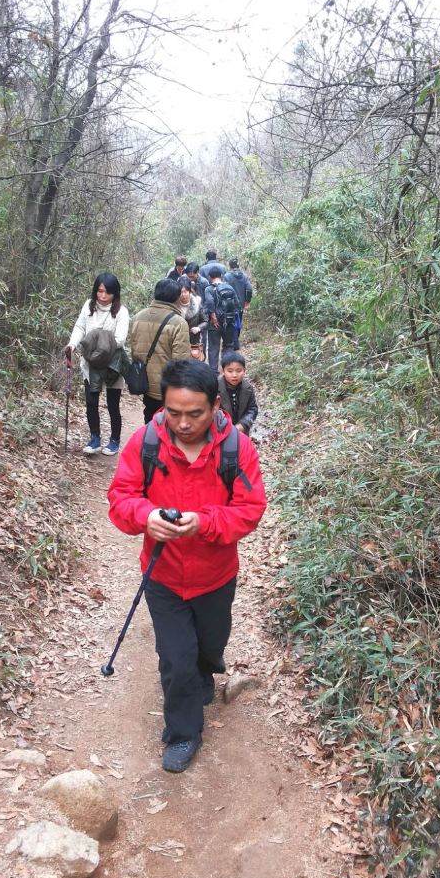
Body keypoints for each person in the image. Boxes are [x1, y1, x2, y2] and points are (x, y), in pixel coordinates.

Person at [107, 360, 267, 773]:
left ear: (215, 406)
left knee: (209, 647)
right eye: (174, 412)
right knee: (176, 658)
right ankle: (183, 733)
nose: (182, 423)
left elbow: (250, 510)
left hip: (216, 575)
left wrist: (205, 522)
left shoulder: (236, 448)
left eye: (194, 414)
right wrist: (146, 516)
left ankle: (205, 673)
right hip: (163, 576)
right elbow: (120, 499)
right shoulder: (145, 443)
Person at [65, 271, 129, 455]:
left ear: (114, 294)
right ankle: (94, 438)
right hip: (90, 362)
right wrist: (73, 344)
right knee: (91, 402)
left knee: (113, 403)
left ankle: (115, 440)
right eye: (99, 291)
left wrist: (95, 338)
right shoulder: (88, 306)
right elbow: (80, 327)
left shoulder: (121, 312)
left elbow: (120, 340)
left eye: (107, 292)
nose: (102, 296)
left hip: (112, 364)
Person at [129, 279, 191, 422]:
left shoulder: (137, 317)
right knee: (168, 423)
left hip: (145, 383)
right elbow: (180, 362)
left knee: (150, 420)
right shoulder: (178, 322)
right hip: (167, 386)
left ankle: (149, 443)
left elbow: (134, 350)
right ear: (176, 298)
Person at [204, 270, 238, 372]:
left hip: (215, 323)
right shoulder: (229, 287)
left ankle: (214, 372)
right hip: (229, 322)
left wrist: (213, 316)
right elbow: (237, 303)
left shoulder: (209, 289)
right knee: (228, 346)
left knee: (214, 348)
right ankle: (228, 370)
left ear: (209, 276)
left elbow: (210, 302)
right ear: (221, 276)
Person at [218, 350, 258, 435]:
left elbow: (253, 408)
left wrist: (243, 424)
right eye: (230, 371)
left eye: (239, 371)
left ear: (244, 370)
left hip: (241, 432)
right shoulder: (215, 387)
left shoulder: (248, 388)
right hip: (220, 431)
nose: (234, 375)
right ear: (222, 371)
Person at [224, 258, 253, 349]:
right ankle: (236, 341)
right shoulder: (244, 276)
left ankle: (233, 342)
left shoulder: (227, 276)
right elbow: (249, 288)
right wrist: (247, 301)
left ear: (229, 266)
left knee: (230, 322)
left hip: (229, 304)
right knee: (238, 320)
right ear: (238, 266)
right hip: (240, 304)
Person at [178, 275, 207, 359]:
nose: (183, 295)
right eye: (181, 292)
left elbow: (205, 321)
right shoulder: (174, 305)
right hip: (178, 343)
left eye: (185, 291)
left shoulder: (197, 303)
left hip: (194, 343)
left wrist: (198, 328)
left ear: (190, 291)